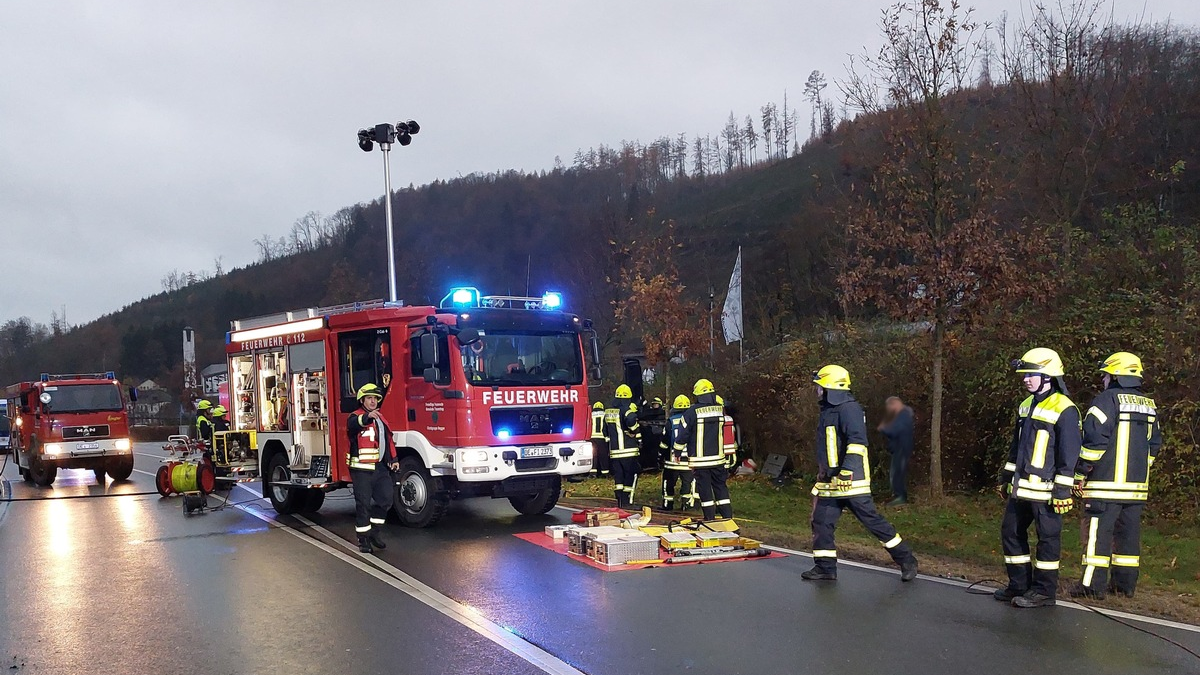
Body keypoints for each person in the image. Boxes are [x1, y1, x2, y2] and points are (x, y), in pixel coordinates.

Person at [803, 365, 918, 583]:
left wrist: (847, 471)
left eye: (820, 387)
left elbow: (857, 442)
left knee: (872, 521)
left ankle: (907, 560)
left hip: (850, 480)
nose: (817, 391)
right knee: (821, 522)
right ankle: (825, 568)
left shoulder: (849, 409)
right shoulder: (828, 410)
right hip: (830, 481)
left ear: (831, 388)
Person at [1070, 352, 1161, 600]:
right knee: (1128, 539)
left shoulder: (1105, 401)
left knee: (1097, 537)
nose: (1103, 380)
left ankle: (1091, 586)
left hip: (1103, 486)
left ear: (1115, 375)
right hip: (1136, 489)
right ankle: (1124, 586)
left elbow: (1094, 442)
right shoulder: (1149, 404)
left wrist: (1080, 472)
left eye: (1105, 375)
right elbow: (1154, 446)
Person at [995, 348, 1080, 608]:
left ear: (1048, 376)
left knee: (1048, 541)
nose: (1025, 379)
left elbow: (1069, 454)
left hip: (1047, 492)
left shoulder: (1065, 408)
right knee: (1010, 532)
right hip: (1021, 489)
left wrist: (1063, 491)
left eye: (1031, 374)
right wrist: (1006, 476)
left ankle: (1044, 591)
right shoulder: (1025, 406)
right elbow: (1016, 447)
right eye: (1024, 375)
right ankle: (1019, 585)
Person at [346, 383, 399, 554]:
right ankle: (363, 540)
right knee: (363, 505)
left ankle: (375, 533)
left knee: (386, 500)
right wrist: (368, 417)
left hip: (380, 468)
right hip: (362, 470)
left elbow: (387, 440)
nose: (373, 401)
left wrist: (394, 459)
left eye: (375, 398)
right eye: (369, 398)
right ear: (362, 400)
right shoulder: (355, 417)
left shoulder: (380, 418)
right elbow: (355, 424)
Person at [674, 379, 733, 520]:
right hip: (718, 459)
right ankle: (727, 518)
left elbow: (683, 435)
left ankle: (710, 519)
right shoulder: (720, 410)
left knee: (705, 490)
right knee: (721, 488)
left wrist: (677, 452)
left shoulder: (691, 412)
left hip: (700, 461)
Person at [604, 384, 642, 508]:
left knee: (619, 476)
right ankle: (627, 502)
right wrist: (634, 431)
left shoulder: (608, 412)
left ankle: (620, 500)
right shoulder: (626, 410)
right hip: (628, 450)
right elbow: (632, 422)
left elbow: (605, 432)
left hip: (614, 451)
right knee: (631, 474)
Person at [660, 395, 697, 511]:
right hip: (688, 459)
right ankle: (686, 505)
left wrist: (661, 454)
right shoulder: (692, 420)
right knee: (687, 483)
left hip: (672, 460)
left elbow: (665, 441)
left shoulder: (670, 422)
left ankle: (667, 504)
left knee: (669, 482)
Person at [878, 396, 914, 506]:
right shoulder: (903, 414)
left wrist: (884, 428)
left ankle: (900, 497)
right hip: (899, 447)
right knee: (896, 472)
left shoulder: (903, 415)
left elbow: (895, 431)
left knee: (897, 473)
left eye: (889, 406)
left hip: (902, 448)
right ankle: (898, 495)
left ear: (895, 404)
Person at [589, 401, 609, 476]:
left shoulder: (590, 414)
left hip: (592, 438)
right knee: (603, 455)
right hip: (602, 438)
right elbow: (607, 427)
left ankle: (593, 473)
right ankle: (605, 473)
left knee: (593, 455)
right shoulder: (605, 415)